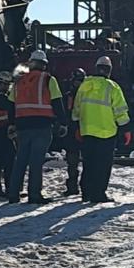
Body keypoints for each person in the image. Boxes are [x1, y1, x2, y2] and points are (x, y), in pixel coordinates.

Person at [7, 50, 67, 205]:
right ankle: (34, 195)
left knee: (20, 160)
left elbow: (10, 104)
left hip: (22, 126)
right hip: (42, 125)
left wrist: (12, 123)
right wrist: (63, 122)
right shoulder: (48, 79)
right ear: (44, 64)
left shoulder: (19, 81)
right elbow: (57, 102)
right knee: (36, 161)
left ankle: (13, 194)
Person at [72, 56, 130, 204]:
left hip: (87, 132)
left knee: (88, 163)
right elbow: (120, 111)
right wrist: (126, 129)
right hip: (106, 133)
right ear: (109, 71)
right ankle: (98, 194)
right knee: (103, 166)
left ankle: (86, 193)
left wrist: (77, 127)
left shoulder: (84, 85)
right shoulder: (112, 87)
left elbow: (76, 110)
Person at [57, 68, 87, 197]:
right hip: (72, 130)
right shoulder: (68, 95)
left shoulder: (87, 96)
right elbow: (64, 112)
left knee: (86, 160)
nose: (78, 84)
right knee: (72, 160)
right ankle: (73, 186)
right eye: (77, 81)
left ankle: (84, 186)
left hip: (84, 129)